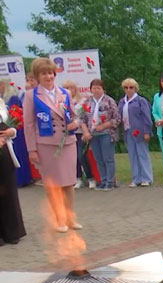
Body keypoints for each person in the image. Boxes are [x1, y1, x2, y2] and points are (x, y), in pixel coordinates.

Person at [23, 58, 83, 232]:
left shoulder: (65, 93)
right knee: (53, 184)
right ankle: (59, 220)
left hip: (68, 143)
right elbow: (28, 125)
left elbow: (75, 115)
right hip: (46, 145)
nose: (48, 76)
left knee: (69, 183)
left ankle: (71, 218)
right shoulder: (30, 96)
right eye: (43, 73)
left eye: (50, 73)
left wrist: (76, 123)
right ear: (37, 76)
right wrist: (31, 149)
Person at [79, 79, 120, 192]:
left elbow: (117, 118)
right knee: (98, 159)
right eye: (94, 88)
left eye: (98, 88)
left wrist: (104, 126)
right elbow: (81, 118)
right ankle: (102, 180)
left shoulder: (109, 101)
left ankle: (110, 181)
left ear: (103, 89)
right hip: (93, 135)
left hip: (106, 133)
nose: (96, 90)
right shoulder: (87, 102)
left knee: (108, 158)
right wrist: (85, 131)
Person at [0, 90, 25, 245]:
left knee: (8, 190)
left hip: (5, 152)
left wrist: (11, 131)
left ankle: (12, 231)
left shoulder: (2, 104)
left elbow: (12, 126)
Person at [118, 78, 153, 187]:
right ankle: (136, 178)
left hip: (140, 131)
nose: (128, 90)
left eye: (131, 87)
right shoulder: (122, 101)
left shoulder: (140, 101)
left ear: (135, 88)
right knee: (132, 155)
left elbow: (147, 117)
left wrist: (147, 131)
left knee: (142, 154)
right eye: (126, 88)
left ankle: (146, 178)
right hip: (127, 131)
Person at [61, 81, 95, 190]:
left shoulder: (82, 101)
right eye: (66, 88)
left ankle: (90, 178)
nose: (69, 90)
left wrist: (85, 131)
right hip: (68, 133)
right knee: (73, 158)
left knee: (81, 156)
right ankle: (78, 178)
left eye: (71, 88)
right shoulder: (61, 102)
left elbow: (85, 117)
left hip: (80, 133)